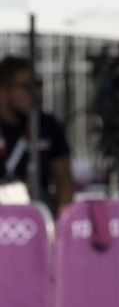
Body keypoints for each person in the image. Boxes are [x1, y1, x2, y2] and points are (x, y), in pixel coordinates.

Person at [0, 56, 73, 214]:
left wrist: (61, 223)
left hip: (39, 213)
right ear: (4, 92)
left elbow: (64, 180)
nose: (37, 93)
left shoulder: (48, 125)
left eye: (38, 85)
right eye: (27, 87)